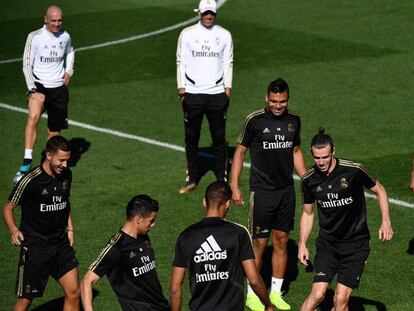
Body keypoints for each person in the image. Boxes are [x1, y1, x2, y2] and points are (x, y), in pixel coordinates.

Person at [231, 78, 306, 310]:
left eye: (282, 101)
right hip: (262, 192)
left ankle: (275, 293)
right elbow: (240, 152)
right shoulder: (254, 121)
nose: (277, 105)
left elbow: (296, 150)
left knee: (281, 241)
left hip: (286, 192)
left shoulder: (294, 121)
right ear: (266, 98)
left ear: (287, 99)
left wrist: (306, 179)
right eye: (274, 101)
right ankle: (253, 294)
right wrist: (234, 184)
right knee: (260, 243)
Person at [298, 128, 393, 311]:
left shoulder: (353, 170)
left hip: (356, 246)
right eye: (317, 158)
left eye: (325, 157)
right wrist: (302, 243)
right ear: (311, 154)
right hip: (328, 245)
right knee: (317, 295)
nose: (321, 162)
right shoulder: (308, 180)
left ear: (333, 151)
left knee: (340, 301)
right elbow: (308, 213)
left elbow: (379, 190)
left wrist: (386, 221)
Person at [170, 181, 274, 311]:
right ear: (227, 204)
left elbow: (175, 287)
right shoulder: (238, 233)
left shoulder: (185, 236)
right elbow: (253, 279)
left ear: (204, 201)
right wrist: (268, 305)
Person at [3, 135, 80, 311]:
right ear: (48, 155)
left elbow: (65, 203)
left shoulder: (66, 175)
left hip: (60, 244)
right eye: (61, 160)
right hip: (36, 247)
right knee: (25, 301)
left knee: (74, 292)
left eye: (67, 160)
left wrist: (71, 229)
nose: (65, 165)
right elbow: (8, 206)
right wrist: (14, 230)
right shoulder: (30, 180)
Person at [176, 0, 233, 193]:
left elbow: (228, 62)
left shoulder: (224, 35)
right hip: (193, 94)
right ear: (199, 13)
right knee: (191, 138)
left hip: (217, 94)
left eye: (212, 13)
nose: (209, 16)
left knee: (219, 138)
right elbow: (180, 61)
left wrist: (228, 89)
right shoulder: (187, 34)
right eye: (206, 13)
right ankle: (192, 178)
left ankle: (221, 180)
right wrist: (181, 89)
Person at [14, 5, 75, 184]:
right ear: (45, 19)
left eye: (59, 20)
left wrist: (69, 70)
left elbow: (71, 51)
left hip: (58, 88)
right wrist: (33, 88)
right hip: (39, 85)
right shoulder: (35, 37)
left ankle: (48, 169)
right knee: (33, 117)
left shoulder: (65, 36)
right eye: (53, 20)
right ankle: (26, 163)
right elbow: (26, 64)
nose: (57, 24)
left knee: (54, 132)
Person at [81, 195, 170, 311]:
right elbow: (86, 282)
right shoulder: (117, 247)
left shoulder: (143, 237)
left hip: (161, 306)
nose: (153, 225)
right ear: (138, 219)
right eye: (151, 221)